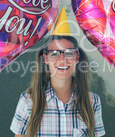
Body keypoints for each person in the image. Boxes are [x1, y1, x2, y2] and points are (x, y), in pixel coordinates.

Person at [10, 8, 105, 137]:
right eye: (54, 53)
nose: (62, 59)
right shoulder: (28, 101)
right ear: (46, 59)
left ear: (77, 58)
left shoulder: (92, 102)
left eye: (69, 53)